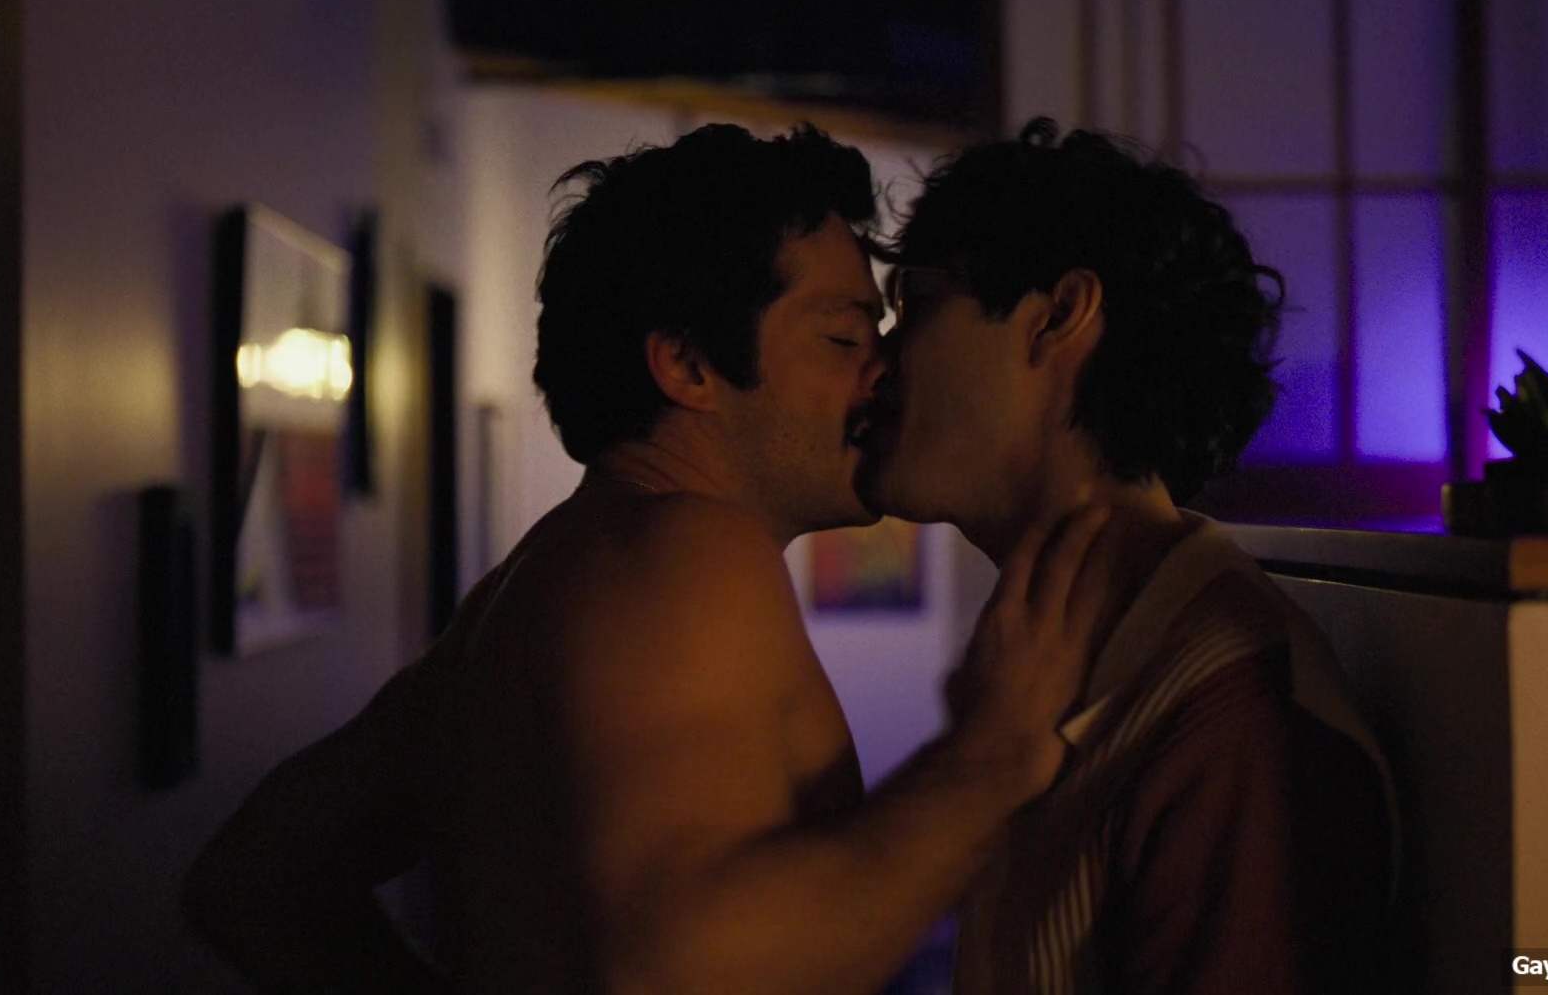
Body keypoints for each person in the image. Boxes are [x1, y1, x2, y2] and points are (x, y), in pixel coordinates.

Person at [183, 123, 1115, 995]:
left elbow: (253, 880)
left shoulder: (528, 591)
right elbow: (679, 967)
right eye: (842, 336)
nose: (884, 369)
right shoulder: (686, 550)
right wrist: (987, 762)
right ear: (688, 366)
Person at [856, 118, 1395, 995]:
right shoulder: (1055, 643)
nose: (877, 364)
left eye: (914, 302)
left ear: (1058, 316)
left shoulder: (1233, 720)